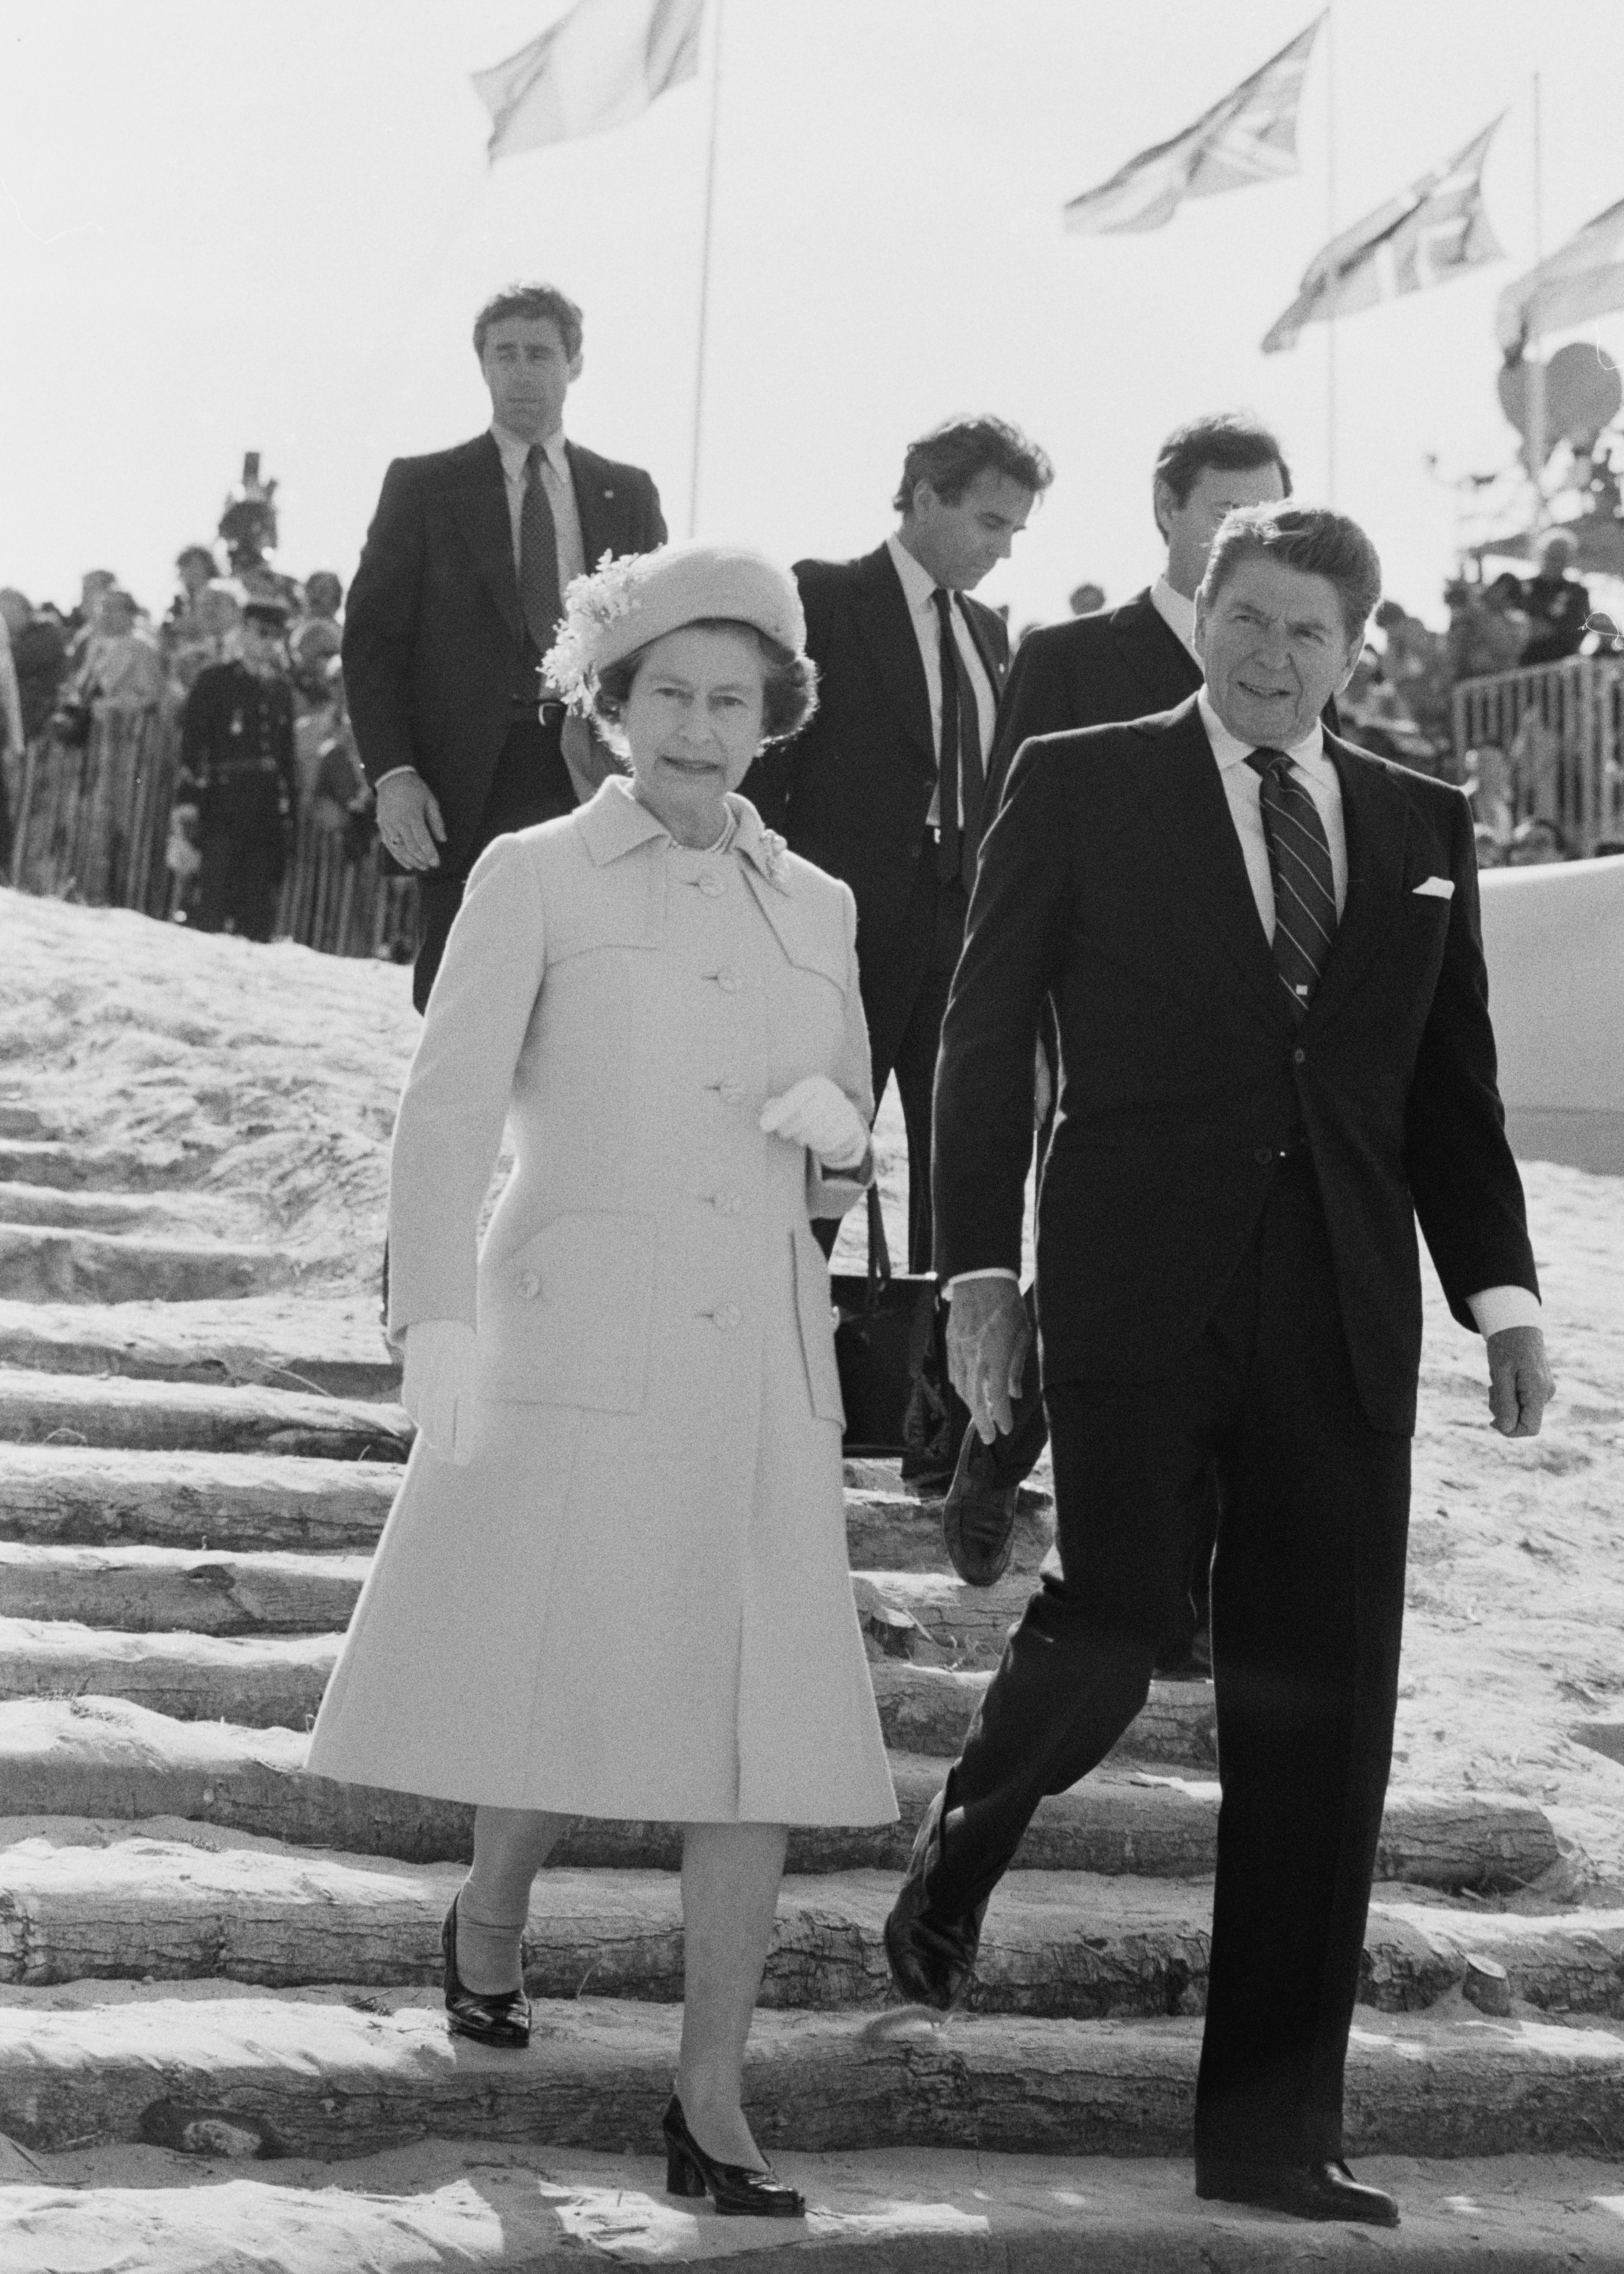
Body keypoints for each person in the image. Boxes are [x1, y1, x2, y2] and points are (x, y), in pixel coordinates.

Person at [886, 502, 1552, 2230]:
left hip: (1338, 1311)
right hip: (1130, 1284)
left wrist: (1503, 1298)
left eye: (1305, 635)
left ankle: (1270, 2132)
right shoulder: (1085, 777)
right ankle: (973, 1822)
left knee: (1320, 1713)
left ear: (1356, 651)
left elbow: (1448, 1085)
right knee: (1111, 1618)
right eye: (1244, 620)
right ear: (1207, 617)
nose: (1268, 656)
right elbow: (980, 1023)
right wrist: (977, 1266)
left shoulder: (1420, 819)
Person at [307, 542, 894, 2220]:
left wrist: (840, 1143)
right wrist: (434, 1320)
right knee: (556, 1667)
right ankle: (493, 1906)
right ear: (609, 706)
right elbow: (447, 1108)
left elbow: (835, 1124)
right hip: (576, 1333)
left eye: (734, 699)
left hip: (762, 1358)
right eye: (668, 696)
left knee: (759, 1728)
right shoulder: (535, 871)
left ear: (774, 714)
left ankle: (709, 2098)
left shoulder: (824, 903)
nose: (702, 729)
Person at [946, 413, 1300, 1605]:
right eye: (1222, 512)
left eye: (1266, 516)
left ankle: (1180, 1587)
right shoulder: (1070, 657)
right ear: (1166, 509)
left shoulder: (1290, 658)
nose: (1243, 536)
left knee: (1210, 1282)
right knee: (1092, 1251)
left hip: (1239, 1041)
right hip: (1083, 1020)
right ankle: (998, 1453)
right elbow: (1016, 855)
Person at [744, 415, 1053, 1288]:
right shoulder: (824, 596)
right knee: (819, 1159)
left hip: (962, 942)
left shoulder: (992, 634)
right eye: (990, 524)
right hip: (843, 937)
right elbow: (772, 769)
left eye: (1014, 531)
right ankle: (775, 1338)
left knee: (959, 1168)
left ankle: (937, 1380)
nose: (1003, 549)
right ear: (924, 497)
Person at [343, 281, 667, 1012]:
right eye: (505, 354)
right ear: (481, 363)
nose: (522, 372)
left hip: (587, 771)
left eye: (541, 354)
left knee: (584, 996)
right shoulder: (426, 486)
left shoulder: (628, 493)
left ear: (574, 364)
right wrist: (393, 773)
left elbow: (657, 646)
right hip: (465, 782)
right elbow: (371, 644)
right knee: (460, 1001)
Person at [177, 595, 298, 940]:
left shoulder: (280, 689)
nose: (268, 643)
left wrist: (290, 814)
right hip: (222, 802)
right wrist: (188, 801)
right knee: (211, 902)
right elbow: (192, 747)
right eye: (262, 633)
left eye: (277, 636)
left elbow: (286, 758)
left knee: (257, 909)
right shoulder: (214, 680)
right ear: (244, 631)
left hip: (265, 811)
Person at [1520, 529, 1589, 666]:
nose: (1555, 563)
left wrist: (1552, 630)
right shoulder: (1522, 588)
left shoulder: (1577, 592)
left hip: (1560, 669)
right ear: (1541, 555)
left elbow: (1580, 628)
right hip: (1523, 668)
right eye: (1551, 557)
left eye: (1561, 558)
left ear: (1568, 561)